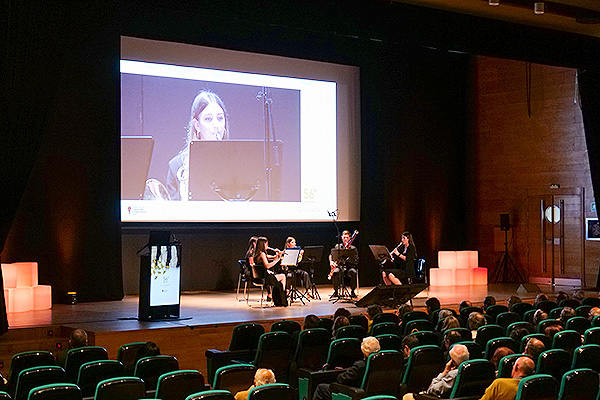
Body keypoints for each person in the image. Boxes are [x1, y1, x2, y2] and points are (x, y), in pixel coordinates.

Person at [166, 90, 230, 201]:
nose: (216, 125)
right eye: (208, 119)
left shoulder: (235, 162)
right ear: (197, 125)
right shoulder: (176, 166)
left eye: (220, 118)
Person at [313, 336, 380, 400]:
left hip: (353, 393)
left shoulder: (360, 365)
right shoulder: (382, 364)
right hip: (372, 394)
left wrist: (340, 375)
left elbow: (342, 380)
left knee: (321, 388)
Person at [404, 344, 469, 400]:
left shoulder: (453, 374)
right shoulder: (471, 368)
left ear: (452, 362)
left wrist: (444, 373)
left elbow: (431, 390)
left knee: (407, 397)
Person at [253, 236, 287, 306]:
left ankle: (280, 297)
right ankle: (282, 296)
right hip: (265, 278)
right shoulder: (262, 254)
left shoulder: (258, 254)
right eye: (266, 244)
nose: (268, 246)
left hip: (262, 276)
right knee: (283, 276)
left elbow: (272, 257)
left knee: (280, 278)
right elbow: (267, 266)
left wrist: (278, 254)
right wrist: (278, 259)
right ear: (263, 244)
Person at [329, 230, 359, 298]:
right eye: (344, 237)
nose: (345, 239)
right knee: (335, 272)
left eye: (347, 237)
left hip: (349, 267)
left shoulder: (353, 248)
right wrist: (331, 261)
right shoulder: (338, 246)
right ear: (342, 237)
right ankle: (336, 291)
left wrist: (347, 260)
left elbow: (356, 260)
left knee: (353, 272)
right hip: (340, 267)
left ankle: (352, 291)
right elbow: (331, 255)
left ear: (350, 238)